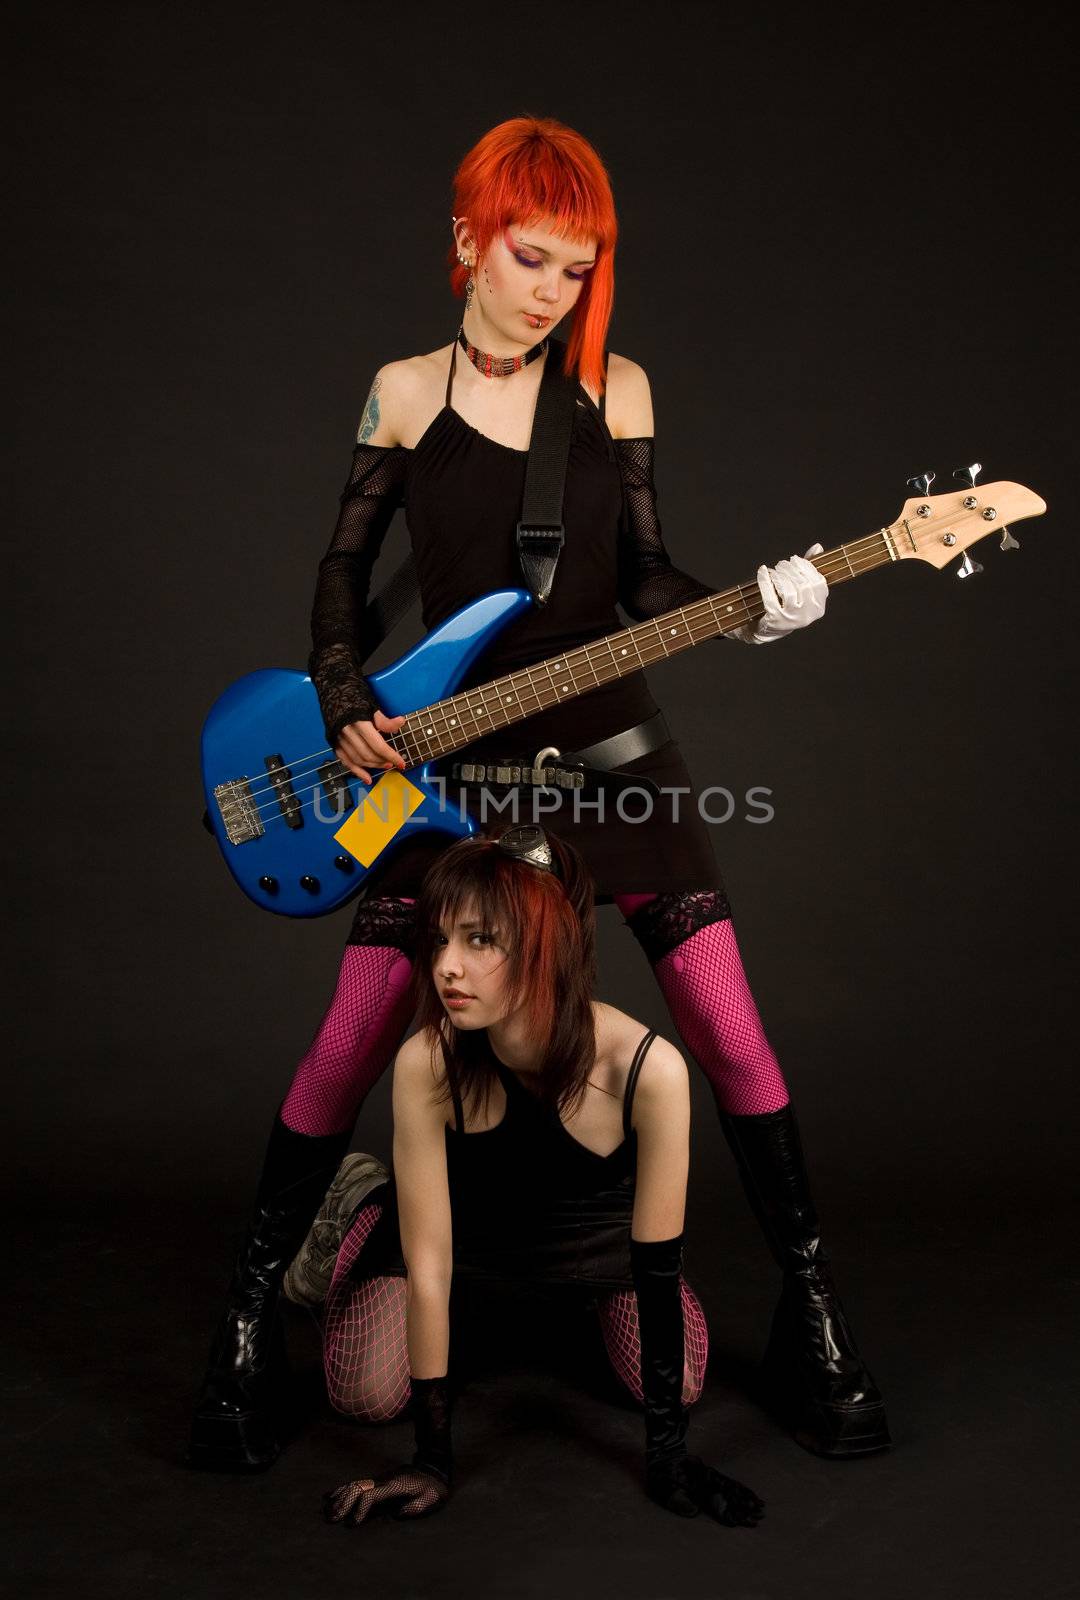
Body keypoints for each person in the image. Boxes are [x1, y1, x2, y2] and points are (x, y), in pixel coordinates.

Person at [188, 115, 888, 1473]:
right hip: (447, 769)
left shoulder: (613, 389)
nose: (555, 289)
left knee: (733, 1032)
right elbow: (343, 571)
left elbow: (646, 583)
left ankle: (812, 1311)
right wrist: (344, 704)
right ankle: (241, 1320)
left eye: (580, 266)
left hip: (615, 757)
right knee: (348, 1041)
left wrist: (765, 611)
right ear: (466, 241)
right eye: (531, 256)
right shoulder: (401, 390)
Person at [301, 825, 763, 1527]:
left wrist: (668, 1455)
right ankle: (354, 1202)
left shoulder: (647, 1070)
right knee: (363, 1393)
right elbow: (429, 1265)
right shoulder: (428, 1062)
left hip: (592, 1248)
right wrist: (433, 1457)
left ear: (548, 945)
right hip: (460, 1240)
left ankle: (555, 1305)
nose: (447, 967)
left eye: (480, 940)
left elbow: (658, 1268)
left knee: (681, 1381)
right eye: (442, 939)